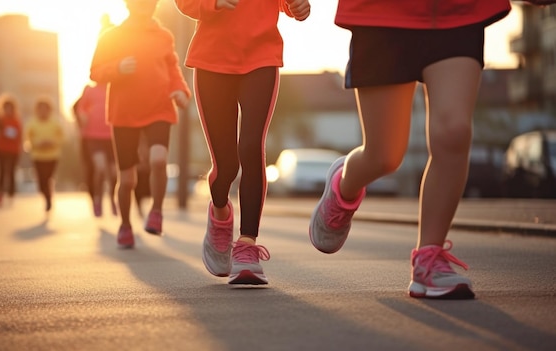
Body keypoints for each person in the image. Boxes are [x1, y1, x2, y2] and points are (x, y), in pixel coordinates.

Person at [307, 0, 524, 299]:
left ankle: (428, 260)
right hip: (381, 15)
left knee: (454, 131)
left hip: (459, 11)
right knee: (384, 156)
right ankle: (344, 186)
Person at [174, 0, 311, 284]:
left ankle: (247, 245)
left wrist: (296, 6)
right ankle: (221, 214)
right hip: (212, 60)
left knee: (251, 148)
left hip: (261, 57)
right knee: (226, 167)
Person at [90, 0, 191, 247]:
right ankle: (125, 225)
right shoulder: (112, 36)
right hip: (124, 113)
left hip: (159, 107)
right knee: (127, 180)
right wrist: (117, 67)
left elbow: (173, 70)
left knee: (158, 160)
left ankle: (156, 212)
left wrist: (181, 91)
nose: (145, 4)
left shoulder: (164, 36)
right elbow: (95, 72)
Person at [76, 81, 118, 217]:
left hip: (112, 137)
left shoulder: (115, 88)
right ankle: (97, 199)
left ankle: (112, 198)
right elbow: (80, 108)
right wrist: (82, 116)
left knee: (113, 173)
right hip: (93, 136)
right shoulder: (89, 90)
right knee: (100, 168)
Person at [24, 97, 63, 213]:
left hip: (52, 156)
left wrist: (53, 142)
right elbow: (27, 139)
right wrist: (37, 143)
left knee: (48, 178)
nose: (43, 111)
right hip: (37, 156)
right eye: (40, 109)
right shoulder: (32, 123)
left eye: (45, 109)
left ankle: (49, 199)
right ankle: (47, 195)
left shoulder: (55, 122)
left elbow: (62, 137)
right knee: (41, 181)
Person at [0, 93, 22, 206]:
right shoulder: (0, 120)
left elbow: (19, 135)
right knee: (1, 172)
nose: (8, 110)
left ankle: (11, 193)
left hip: (14, 150)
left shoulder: (16, 121)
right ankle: (0, 193)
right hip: (1, 149)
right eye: (6, 108)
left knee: (11, 172)